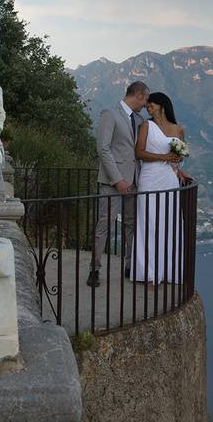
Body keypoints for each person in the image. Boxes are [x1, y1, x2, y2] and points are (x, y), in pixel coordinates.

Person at [87, 81, 149, 288]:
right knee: (104, 224)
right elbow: (103, 149)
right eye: (145, 99)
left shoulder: (139, 120)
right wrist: (118, 180)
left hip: (134, 180)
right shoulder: (109, 114)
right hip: (112, 182)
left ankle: (129, 266)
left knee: (131, 225)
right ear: (138, 95)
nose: (145, 105)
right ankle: (94, 269)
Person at [132, 92, 186, 284]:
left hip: (169, 179)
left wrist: (178, 168)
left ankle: (168, 271)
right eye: (147, 106)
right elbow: (139, 152)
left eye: (151, 105)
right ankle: (149, 273)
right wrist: (164, 158)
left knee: (168, 224)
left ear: (162, 105)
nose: (148, 108)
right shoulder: (147, 125)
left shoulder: (178, 129)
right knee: (148, 224)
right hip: (149, 178)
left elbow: (177, 158)